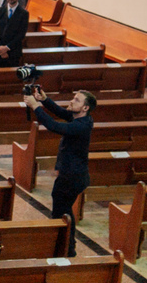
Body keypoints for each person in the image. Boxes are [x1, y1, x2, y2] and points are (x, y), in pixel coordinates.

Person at [25, 87, 95, 255]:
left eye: (77, 100)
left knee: (60, 212)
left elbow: (54, 126)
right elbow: (61, 112)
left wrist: (35, 107)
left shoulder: (81, 126)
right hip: (71, 174)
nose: (72, 101)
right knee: (64, 210)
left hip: (72, 177)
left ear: (85, 108)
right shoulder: (80, 118)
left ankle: (65, 248)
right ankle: (67, 244)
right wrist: (44, 99)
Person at [0, 0, 28, 67]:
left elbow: (21, 34)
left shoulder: (23, 13)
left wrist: (7, 47)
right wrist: (0, 47)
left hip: (13, 52)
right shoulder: (0, 10)